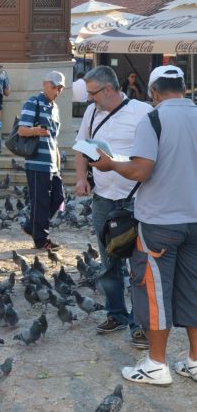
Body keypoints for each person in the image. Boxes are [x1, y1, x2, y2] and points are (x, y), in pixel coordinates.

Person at [92, 65, 197, 387]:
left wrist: (110, 164)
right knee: (193, 290)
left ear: (153, 92)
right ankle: (194, 361)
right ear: (182, 87)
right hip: (194, 219)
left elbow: (140, 171)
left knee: (154, 292)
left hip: (160, 222)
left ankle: (156, 364)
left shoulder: (153, 119)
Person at [75, 66, 152, 347]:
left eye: (93, 93)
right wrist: (81, 177)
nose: (89, 99)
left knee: (138, 264)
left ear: (108, 90)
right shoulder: (91, 113)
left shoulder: (143, 112)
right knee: (108, 260)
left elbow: (154, 155)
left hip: (136, 199)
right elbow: (81, 146)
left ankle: (140, 324)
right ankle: (116, 314)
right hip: (103, 198)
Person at [18, 71, 65, 250]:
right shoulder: (33, 102)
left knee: (59, 197)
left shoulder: (56, 108)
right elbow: (22, 130)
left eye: (60, 87)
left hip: (52, 161)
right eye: (54, 86)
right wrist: (36, 130)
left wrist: (58, 165)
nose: (57, 90)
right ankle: (41, 239)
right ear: (45, 84)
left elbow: (55, 139)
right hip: (37, 161)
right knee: (41, 201)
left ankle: (32, 226)